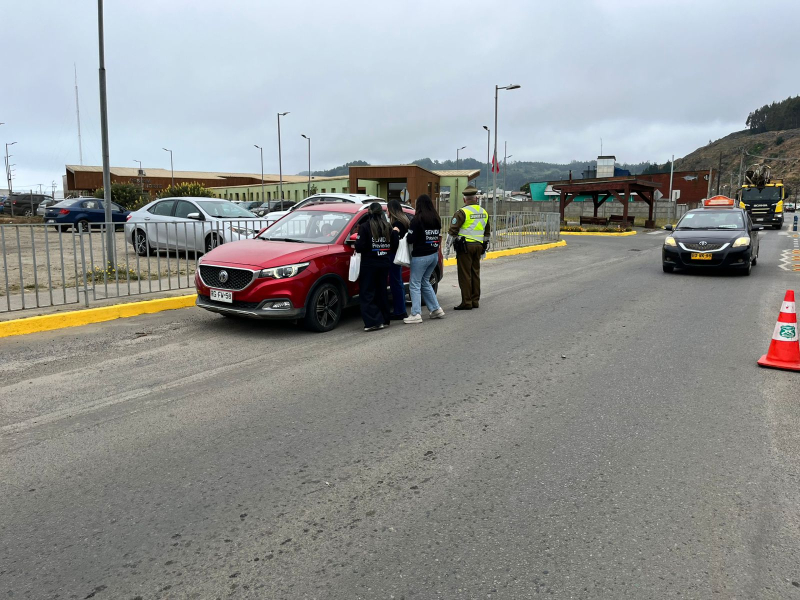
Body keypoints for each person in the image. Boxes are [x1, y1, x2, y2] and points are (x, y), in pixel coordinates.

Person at [445, 186, 490, 310]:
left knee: (465, 275)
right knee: (475, 273)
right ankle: (475, 301)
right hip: (478, 246)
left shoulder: (461, 212)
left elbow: (452, 232)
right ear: (476, 199)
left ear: (464, 200)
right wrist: (484, 248)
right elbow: (487, 232)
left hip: (465, 248)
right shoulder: (484, 212)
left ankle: (467, 302)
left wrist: (447, 248)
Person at [403, 194, 445, 323]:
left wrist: (407, 234)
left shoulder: (417, 220)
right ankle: (436, 309)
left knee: (414, 284)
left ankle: (416, 314)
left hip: (421, 256)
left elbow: (411, 239)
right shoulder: (436, 219)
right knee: (425, 281)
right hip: (433, 255)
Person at [355, 203, 392, 331]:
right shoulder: (387, 226)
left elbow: (359, 246)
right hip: (384, 263)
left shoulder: (365, 227)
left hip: (369, 265)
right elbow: (393, 244)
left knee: (367, 293)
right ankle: (384, 319)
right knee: (381, 291)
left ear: (369, 212)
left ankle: (373, 322)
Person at [387, 199, 410, 320]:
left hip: (394, 255)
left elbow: (395, 239)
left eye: (387, 209)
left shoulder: (397, 224)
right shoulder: (404, 221)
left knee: (395, 283)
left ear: (391, 210)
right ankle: (400, 310)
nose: (386, 211)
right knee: (398, 282)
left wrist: (392, 234)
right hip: (400, 255)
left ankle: (399, 311)